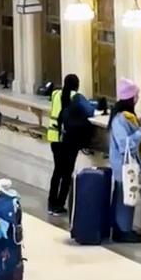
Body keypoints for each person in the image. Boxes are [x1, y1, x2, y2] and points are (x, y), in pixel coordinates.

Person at [46, 72, 97, 215]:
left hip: (54, 137)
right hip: (68, 140)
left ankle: (51, 203)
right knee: (67, 173)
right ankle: (59, 204)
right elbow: (90, 111)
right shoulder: (76, 97)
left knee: (57, 171)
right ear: (77, 85)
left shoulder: (56, 94)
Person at [109, 79, 141, 243]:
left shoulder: (127, 117)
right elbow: (124, 144)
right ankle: (123, 231)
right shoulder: (119, 120)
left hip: (126, 166)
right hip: (123, 166)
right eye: (136, 96)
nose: (137, 99)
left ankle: (124, 228)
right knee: (125, 199)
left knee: (126, 197)